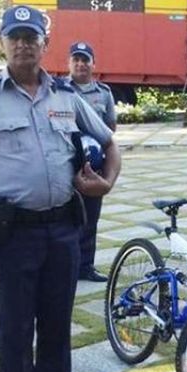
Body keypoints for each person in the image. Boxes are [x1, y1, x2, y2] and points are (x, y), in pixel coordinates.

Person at [0, 6, 120, 372]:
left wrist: (107, 182)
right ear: (4, 44)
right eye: (15, 38)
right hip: (13, 236)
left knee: (56, 325)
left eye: (31, 38)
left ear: (45, 45)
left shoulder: (66, 96)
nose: (23, 45)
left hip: (63, 231)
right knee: (15, 328)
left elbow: (111, 143)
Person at [66, 41, 117, 283]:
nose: (80, 64)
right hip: (66, 162)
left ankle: (85, 265)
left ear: (92, 64)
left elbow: (110, 127)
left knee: (91, 216)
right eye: (76, 59)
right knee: (67, 217)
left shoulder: (104, 93)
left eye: (85, 59)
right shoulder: (60, 90)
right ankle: (67, 265)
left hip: (94, 162)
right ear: (69, 62)